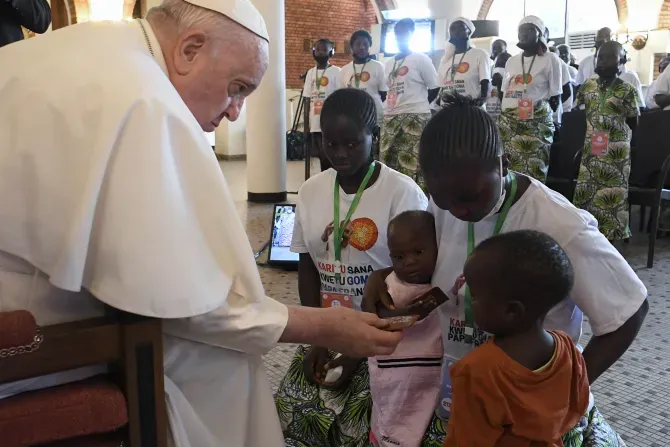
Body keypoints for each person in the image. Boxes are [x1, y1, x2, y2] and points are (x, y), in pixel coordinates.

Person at [0, 2, 405, 446]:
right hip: (28, 342)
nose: (234, 112)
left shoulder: (88, 50)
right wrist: (324, 326)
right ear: (190, 49)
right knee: (223, 361)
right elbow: (187, 307)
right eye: (237, 88)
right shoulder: (143, 98)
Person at [365, 93, 648, 446]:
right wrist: (380, 278)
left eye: (470, 196)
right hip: (464, 394)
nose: (458, 210)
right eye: (443, 197)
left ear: (502, 162)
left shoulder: (558, 224)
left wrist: (562, 395)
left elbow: (630, 310)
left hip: (531, 414)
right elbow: (438, 276)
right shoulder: (445, 207)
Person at [275, 88, 428, 446]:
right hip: (326, 327)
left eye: (352, 143)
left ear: (374, 137)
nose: (340, 154)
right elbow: (308, 264)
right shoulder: (312, 191)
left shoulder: (402, 193)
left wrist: (359, 350)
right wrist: (316, 335)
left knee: (358, 428)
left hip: (385, 334)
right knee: (291, 409)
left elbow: (417, 281)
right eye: (331, 143)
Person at [443, 230, 589, 446]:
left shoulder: (476, 370)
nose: (469, 302)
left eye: (474, 296)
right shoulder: (567, 348)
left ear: (511, 310)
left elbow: (464, 441)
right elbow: (578, 405)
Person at [363, 210, 443, 447]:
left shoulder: (446, 280)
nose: (409, 262)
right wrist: (406, 314)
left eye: (418, 252)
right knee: (392, 413)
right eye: (398, 257)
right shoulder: (390, 286)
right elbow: (379, 317)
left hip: (430, 373)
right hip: (394, 373)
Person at [573, 41, 639, 242]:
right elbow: (577, 113)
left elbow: (634, 121)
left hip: (615, 154)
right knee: (586, 192)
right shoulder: (587, 86)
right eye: (599, 56)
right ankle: (584, 234)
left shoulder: (627, 89)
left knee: (611, 196)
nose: (601, 61)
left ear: (621, 61)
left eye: (608, 57)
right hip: (591, 150)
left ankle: (611, 239)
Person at [499, 16, 562, 182]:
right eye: (521, 30)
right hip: (510, 125)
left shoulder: (550, 59)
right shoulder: (511, 61)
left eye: (529, 30)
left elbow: (556, 96)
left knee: (533, 172)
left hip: (535, 125)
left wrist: (557, 121)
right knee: (509, 172)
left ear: (539, 34)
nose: (523, 34)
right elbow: (504, 92)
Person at [381, 18, 439, 191]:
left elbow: (435, 87)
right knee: (388, 160)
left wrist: (419, 105)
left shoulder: (420, 59)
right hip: (391, 117)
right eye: (397, 34)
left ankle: (416, 199)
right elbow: (387, 90)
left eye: (404, 33)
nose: (400, 37)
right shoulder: (389, 63)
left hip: (415, 117)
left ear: (411, 34)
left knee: (412, 162)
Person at [304, 39, 342, 172]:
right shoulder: (310, 73)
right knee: (321, 155)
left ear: (331, 52)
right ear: (313, 52)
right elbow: (307, 98)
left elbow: (340, 97)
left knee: (331, 155)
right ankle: (326, 182)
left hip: (331, 122)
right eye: (318, 49)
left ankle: (336, 181)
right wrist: (306, 125)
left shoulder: (337, 72)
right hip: (315, 122)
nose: (320, 52)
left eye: (324, 50)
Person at [434, 17, 490, 107]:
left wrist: (481, 101)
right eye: (453, 29)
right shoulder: (446, 58)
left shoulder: (479, 54)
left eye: (461, 28)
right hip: (448, 107)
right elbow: (439, 86)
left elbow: (485, 81)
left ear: (469, 31)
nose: (456, 31)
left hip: (469, 106)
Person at [340, 30, 388, 128]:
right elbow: (342, 96)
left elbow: (384, 94)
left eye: (365, 44)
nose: (362, 47)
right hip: (352, 118)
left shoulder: (378, 66)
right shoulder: (344, 70)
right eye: (358, 44)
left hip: (374, 117)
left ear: (369, 47)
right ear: (352, 47)